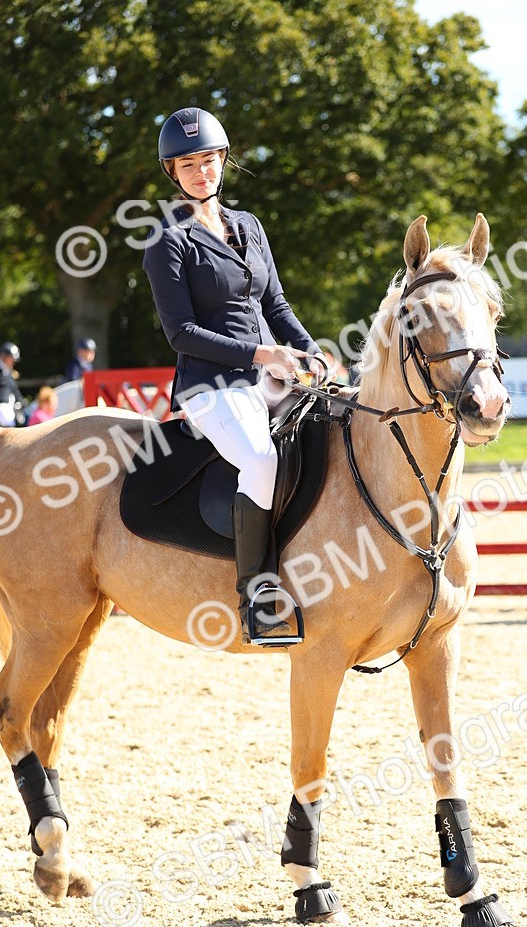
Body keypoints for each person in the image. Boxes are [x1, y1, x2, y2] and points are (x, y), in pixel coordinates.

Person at [143, 106, 324, 645]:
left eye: (210, 160)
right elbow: (181, 333)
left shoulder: (249, 226)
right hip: (210, 387)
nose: (203, 172)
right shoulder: (166, 238)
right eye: (189, 164)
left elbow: (277, 304)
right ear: (173, 173)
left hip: (267, 379)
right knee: (261, 458)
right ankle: (257, 596)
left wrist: (310, 351)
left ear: (224, 161)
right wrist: (261, 356)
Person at [0, 342, 26, 427]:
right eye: (11, 358)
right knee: (10, 423)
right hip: (1, 408)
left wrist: (22, 401)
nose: (13, 361)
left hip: (12, 407)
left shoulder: (8, 373)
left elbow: (15, 390)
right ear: (3, 356)